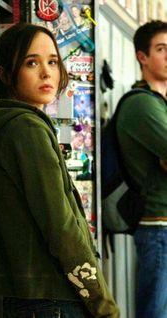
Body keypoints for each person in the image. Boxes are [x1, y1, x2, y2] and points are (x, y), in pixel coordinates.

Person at [0, 23, 119, 318]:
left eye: (52, 61)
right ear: (5, 75)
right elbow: (61, 228)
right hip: (55, 301)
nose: (47, 73)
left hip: (28, 299)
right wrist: (104, 305)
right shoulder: (26, 129)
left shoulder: (1, 125)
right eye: (31, 62)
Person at [116, 20, 167, 318]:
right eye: (161, 49)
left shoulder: (160, 105)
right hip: (156, 226)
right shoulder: (141, 104)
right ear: (142, 56)